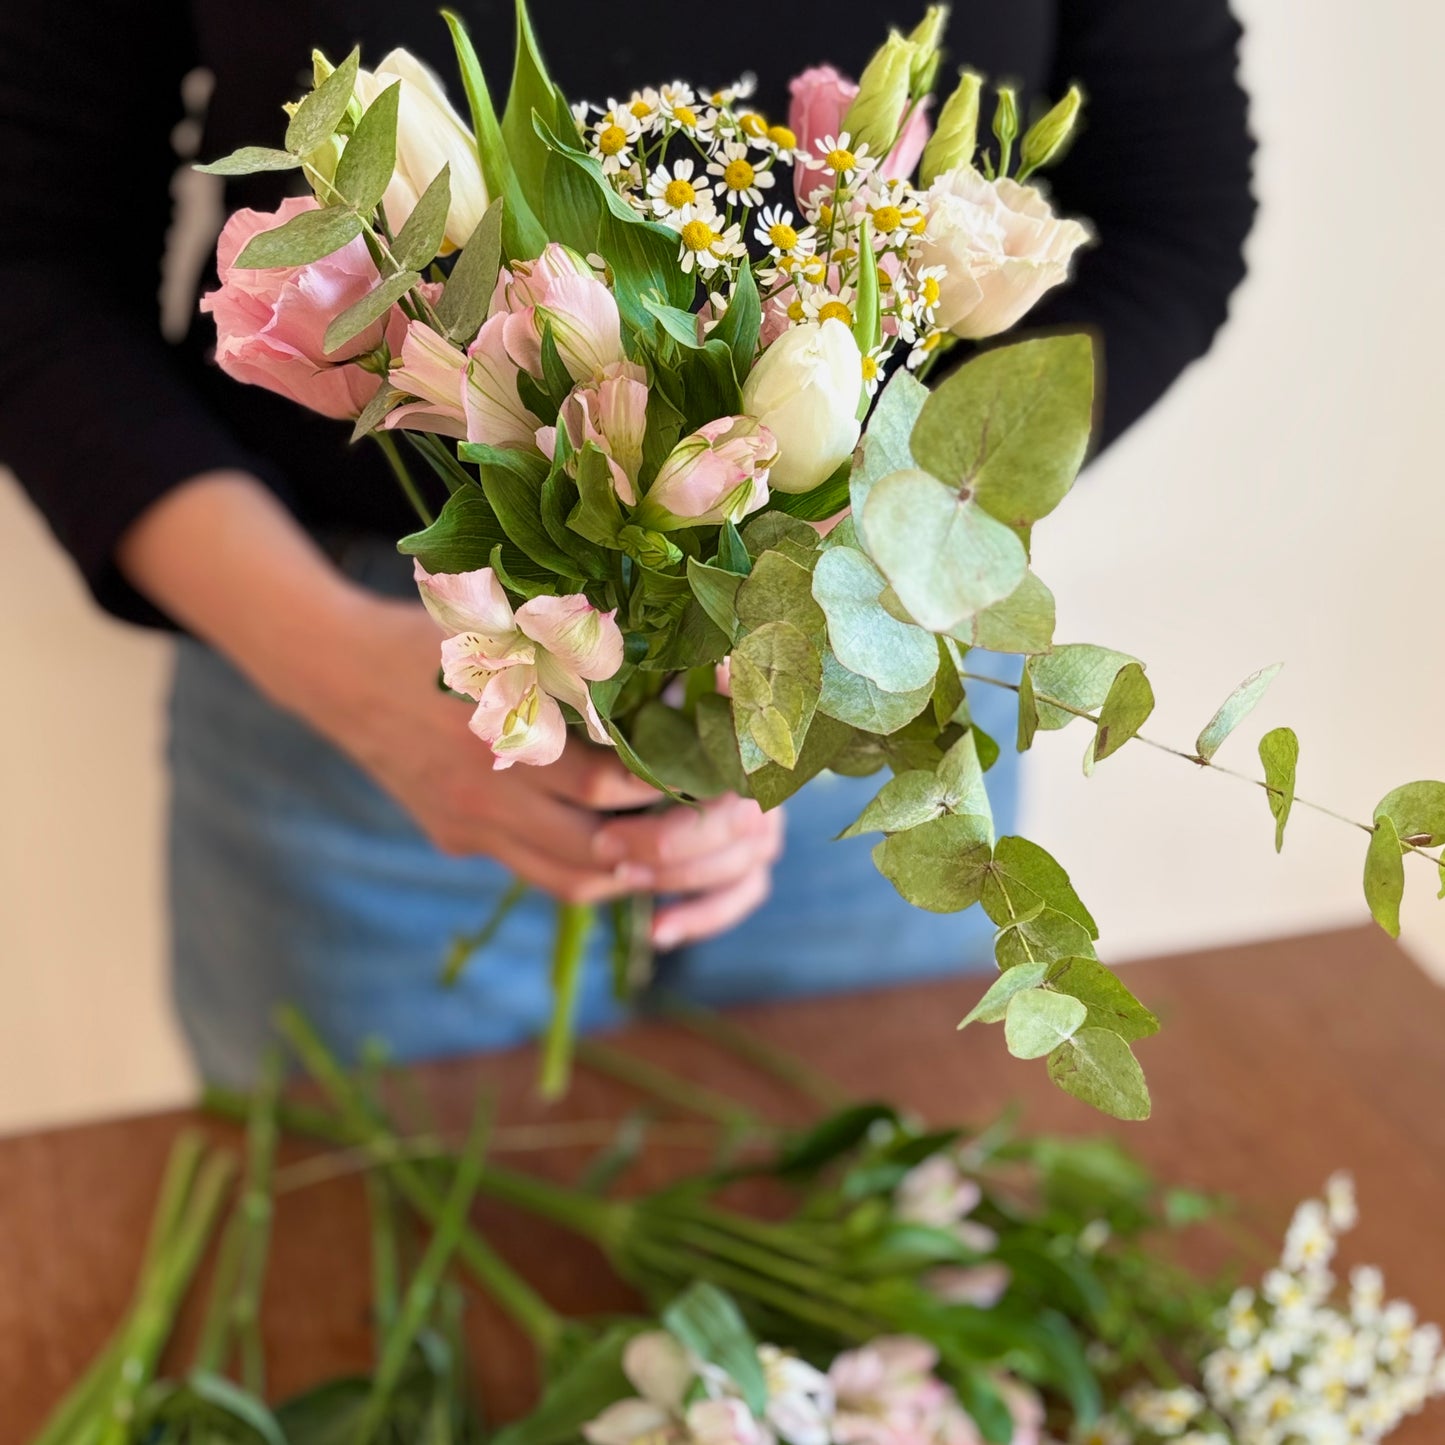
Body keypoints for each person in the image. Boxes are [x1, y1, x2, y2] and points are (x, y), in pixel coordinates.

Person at [0, 1, 1255, 1086]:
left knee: (868, 1279)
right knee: (376, 1290)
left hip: (855, 694)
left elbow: (1171, 215)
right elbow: (28, 249)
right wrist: (333, 663)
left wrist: (869, 544)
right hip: (354, 704)